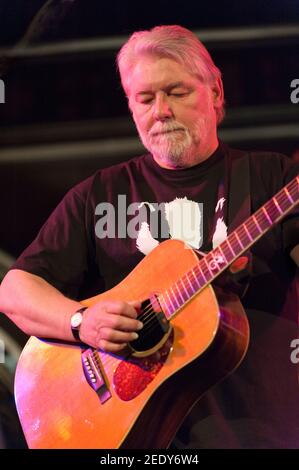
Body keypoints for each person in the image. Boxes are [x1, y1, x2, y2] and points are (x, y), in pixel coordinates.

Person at [0, 25, 298, 448]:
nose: (160, 110)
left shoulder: (273, 180)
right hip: (129, 442)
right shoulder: (99, 195)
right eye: (145, 98)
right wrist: (81, 322)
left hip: (257, 434)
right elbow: (14, 290)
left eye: (176, 92)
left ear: (215, 92)